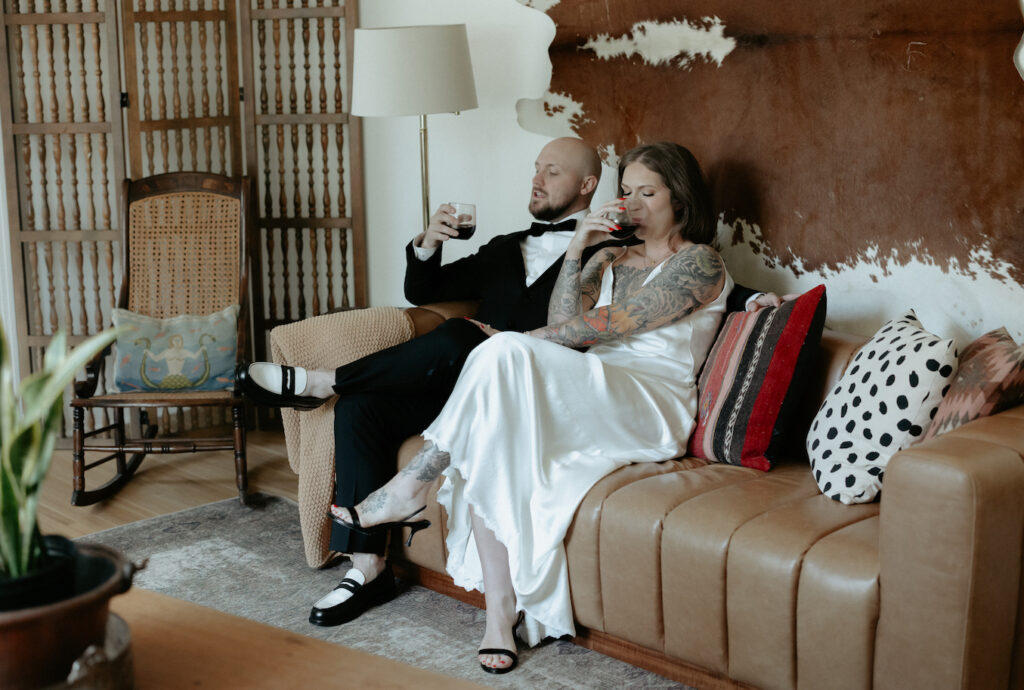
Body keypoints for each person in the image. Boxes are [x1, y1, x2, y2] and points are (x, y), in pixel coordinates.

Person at [237, 137, 772, 630]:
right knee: (374, 401)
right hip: (546, 378)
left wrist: (515, 337)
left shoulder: (699, 260)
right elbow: (549, 309)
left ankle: (387, 462)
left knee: (485, 342)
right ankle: (375, 561)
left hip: (624, 391)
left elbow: (618, 320)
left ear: (678, 197)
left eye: (646, 192)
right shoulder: (594, 252)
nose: (631, 203)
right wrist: (574, 250)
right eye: (626, 191)